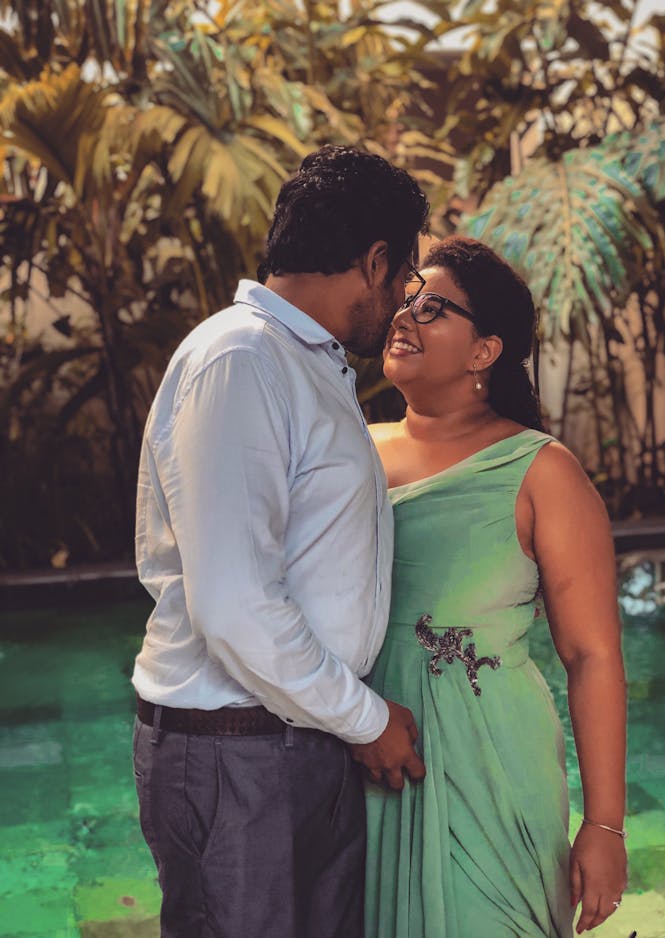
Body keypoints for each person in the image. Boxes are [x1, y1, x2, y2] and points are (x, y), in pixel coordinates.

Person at [131, 145, 429, 938]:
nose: (403, 300)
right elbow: (235, 604)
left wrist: (345, 722)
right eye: (405, 278)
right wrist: (365, 719)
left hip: (300, 738)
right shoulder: (241, 359)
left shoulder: (307, 364)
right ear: (374, 261)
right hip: (236, 752)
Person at [364, 236, 627, 938]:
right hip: (361, 748)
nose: (406, 315)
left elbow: (592, 657)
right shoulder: (350, 450)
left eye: (434, 307)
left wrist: (605, 825)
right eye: (406, 299)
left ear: (485, 351)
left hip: (490, 760)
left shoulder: (542, 471)